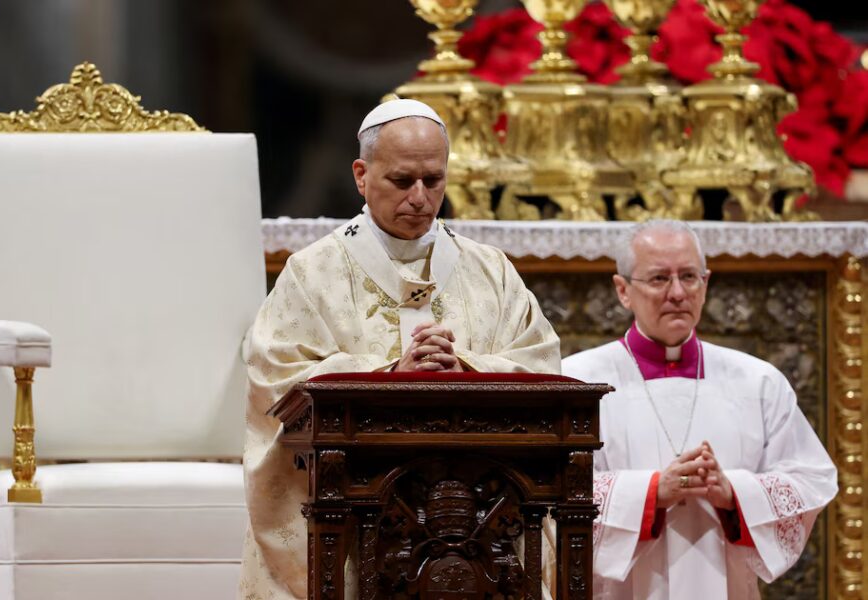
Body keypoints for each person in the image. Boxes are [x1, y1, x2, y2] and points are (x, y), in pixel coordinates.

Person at [238, 98, 561, 600]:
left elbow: (542, 363)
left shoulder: (491, 270)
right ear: (362, 175)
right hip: (355, 517)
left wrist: (467, 368)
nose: (420, 197)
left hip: (480, 516)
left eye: (433, 181)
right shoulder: (313, 271)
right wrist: (389, 372)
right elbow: (275, 379)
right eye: (401, 180)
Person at [559, 219, 837, 599]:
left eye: (689, 277)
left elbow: (812, 480)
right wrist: (653, 493)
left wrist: (734, 493)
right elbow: (551, 492)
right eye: (659, 279)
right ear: (623, 290)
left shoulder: (758, 381)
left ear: (705, 285)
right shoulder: (577, 380)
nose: (677, 293)